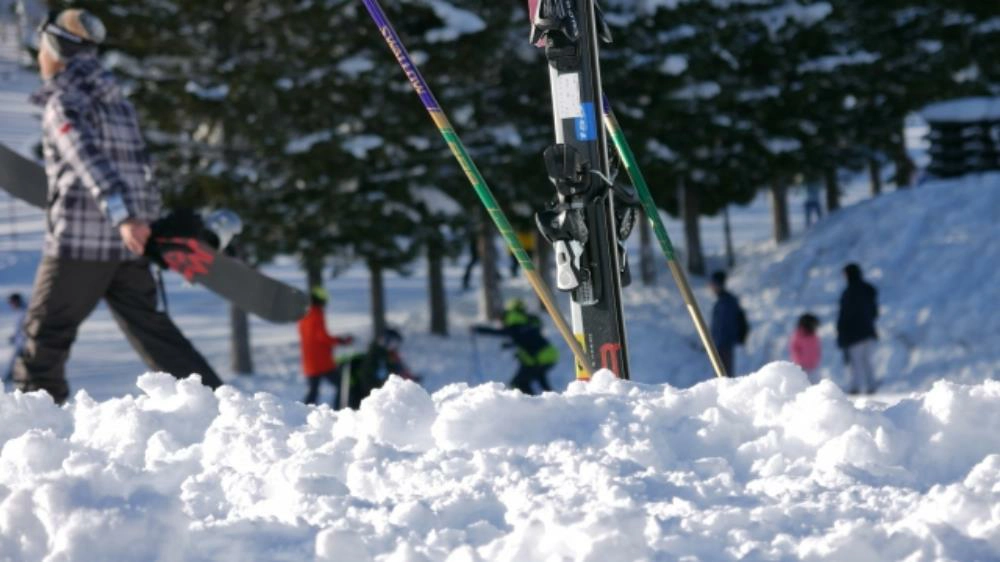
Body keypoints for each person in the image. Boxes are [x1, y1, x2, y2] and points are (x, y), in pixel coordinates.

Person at [12, 10, 222, 404]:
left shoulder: (63, 102)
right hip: (127, 248)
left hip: (81, 246)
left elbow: (87, 158)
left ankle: (34, 429)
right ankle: (216, 407)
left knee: (44, 334)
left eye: (42, 47)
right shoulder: (117, 103)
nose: (39, 56)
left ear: (56, 48)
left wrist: (123, 216)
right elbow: (139, 167)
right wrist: (142, 222)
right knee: (155, 334)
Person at [472, 298, 558, 395]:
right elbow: (528, 338)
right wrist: (511, 344)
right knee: (540, 380)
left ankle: (533, 404)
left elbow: (497, 332)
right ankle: (555, 403)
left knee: (518, 383)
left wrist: (478, 330)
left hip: (536, 359)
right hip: (550, 354)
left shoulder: (514, 327)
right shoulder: (529, 322)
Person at [298, 286, 353, 406]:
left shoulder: (304, 314)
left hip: (309, 360)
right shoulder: (317, 313)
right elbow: (322, 336)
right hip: (321, 361)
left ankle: (303, 413)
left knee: (313, 391)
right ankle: (338, 409)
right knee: (340, 384)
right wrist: (341, 341)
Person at [340, 328, 417, 409]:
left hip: (381, 395)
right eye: (393, 343)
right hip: (371, 398)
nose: (394, 347)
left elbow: (397, 371)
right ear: (385, 341)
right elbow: (368, 379)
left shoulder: (387, 356)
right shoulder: (375, 356)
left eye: (396, 344)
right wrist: (380, 392)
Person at [836, 263, 879, 394]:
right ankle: (871, 386)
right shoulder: (868, 290)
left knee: (856, 364)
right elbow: (874, 312)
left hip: (854, 335)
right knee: (867, 362)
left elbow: (844, 316)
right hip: (869, 332)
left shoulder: (848, 293)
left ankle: (855, 387)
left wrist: (841, 334)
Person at [708, 271, 749, 376]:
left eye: (713, 284)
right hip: (720, 345)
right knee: (720, 375)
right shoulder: (721, 302)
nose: (711, 287)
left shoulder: (727, 303)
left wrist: (719, 343)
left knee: (724, 376)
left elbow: (725, 327)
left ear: (718, 284)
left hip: (725, 346)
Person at [789, 313, 821, 384]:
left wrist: (816, 361)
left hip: (813, 368)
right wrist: (799, 364)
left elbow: (817, 350)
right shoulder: (798, 335)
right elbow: (795, 351)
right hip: (802, 368)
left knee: (816, 387)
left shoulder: (814, 335)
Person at [4, 293, 26, 382]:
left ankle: (12, 377)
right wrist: (14, 337)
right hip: (19, 342)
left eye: (11, 302)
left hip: (24, 343)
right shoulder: (20, 311)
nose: (11, 305)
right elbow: (19, 328)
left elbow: (27, 328)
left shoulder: (25, 311)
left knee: (16, 361)